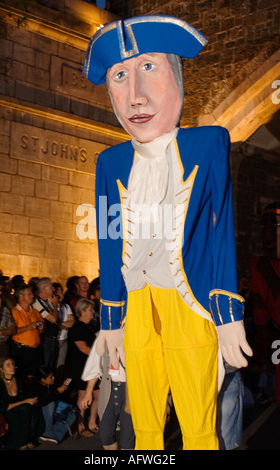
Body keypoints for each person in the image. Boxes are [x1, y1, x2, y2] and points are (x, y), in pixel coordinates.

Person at [82, 15, 253, 450]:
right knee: (144, 427)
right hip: (136, 306)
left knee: (198, 426)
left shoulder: (208, 142)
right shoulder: (110, 163)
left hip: (188, 300)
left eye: (149, 68)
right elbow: (108, 241)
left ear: (176, 75)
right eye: (120, 76)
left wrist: (228, 314)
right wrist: (111, 323)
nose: (135, 95)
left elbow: (219, 233)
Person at [82, 324, 135, 450]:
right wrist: (88, 392)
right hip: (109, 388)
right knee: (105, 435)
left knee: (128, 439)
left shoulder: (138, 331)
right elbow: (95, 363)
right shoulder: (105, 333)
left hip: (131, 391)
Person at [250, 201, 280, 405]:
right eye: (264, 226)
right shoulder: (258, 266)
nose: (268, 234)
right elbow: (260, 319)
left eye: (276, 225)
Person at [0, 356, 44, 449]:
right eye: (8, 365)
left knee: (33, 407)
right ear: (1, 369)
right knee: (22, 410)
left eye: (13, 364)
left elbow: (22, 397)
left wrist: (30, 400)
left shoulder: (18, 379)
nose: (12, 367)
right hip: (6, 410)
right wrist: (25, 401)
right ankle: (21, 443)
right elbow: (3, 406)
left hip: (19, 406)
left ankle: (30, 438)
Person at [68, 298, 98, 436]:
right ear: (82, 311)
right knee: (83, 394)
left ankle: (92, 422)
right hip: (82, 365)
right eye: (90, 309)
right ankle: (81, 424)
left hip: (93, 364)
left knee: (97, 394)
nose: (93, 312)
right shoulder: (77, 327)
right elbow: (82, 347)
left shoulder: (91, 324)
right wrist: (98, 356)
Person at [29, 365, 76, 445]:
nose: (53, 378)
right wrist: (58, 391)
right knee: (50, 404)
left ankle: (52, 436)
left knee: (72, 414)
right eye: (50, 377)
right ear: (43, 380)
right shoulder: (34, 387)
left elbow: (61, 398)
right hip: (42, 413)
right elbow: (43, 402)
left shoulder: (53, 384)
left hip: (55, 411)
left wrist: (64, 388)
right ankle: (49, 433)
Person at [10, 284, 44, 380]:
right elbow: (12, 331)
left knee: (34, 377)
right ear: (21, 296)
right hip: (21, 350)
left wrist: (41, 328)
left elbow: (42, 328)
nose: (32, 296)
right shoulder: (14, 312)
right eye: (29, 294)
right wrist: (28, 327)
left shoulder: (35, 312)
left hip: (36, 350)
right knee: (21, 377)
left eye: (32, 293)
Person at [32, 277, 59, 370]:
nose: (54, 289)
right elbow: (53, 319)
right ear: (44, 288)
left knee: (52, 367)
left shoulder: (48, 301)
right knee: (46, 368)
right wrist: (55, 305)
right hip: (45, 340)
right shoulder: (37, 302)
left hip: (53, 338)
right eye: (51, 287)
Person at [52, 282, 75, 381]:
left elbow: (72, 322)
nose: (58, 294)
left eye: (60, 292)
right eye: (56, 292)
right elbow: (54, 324)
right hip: (53, 340)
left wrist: (61, 324)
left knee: (61, 365)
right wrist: (65, 324)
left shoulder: (66, 307)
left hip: (64, 339)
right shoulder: (50, 308)